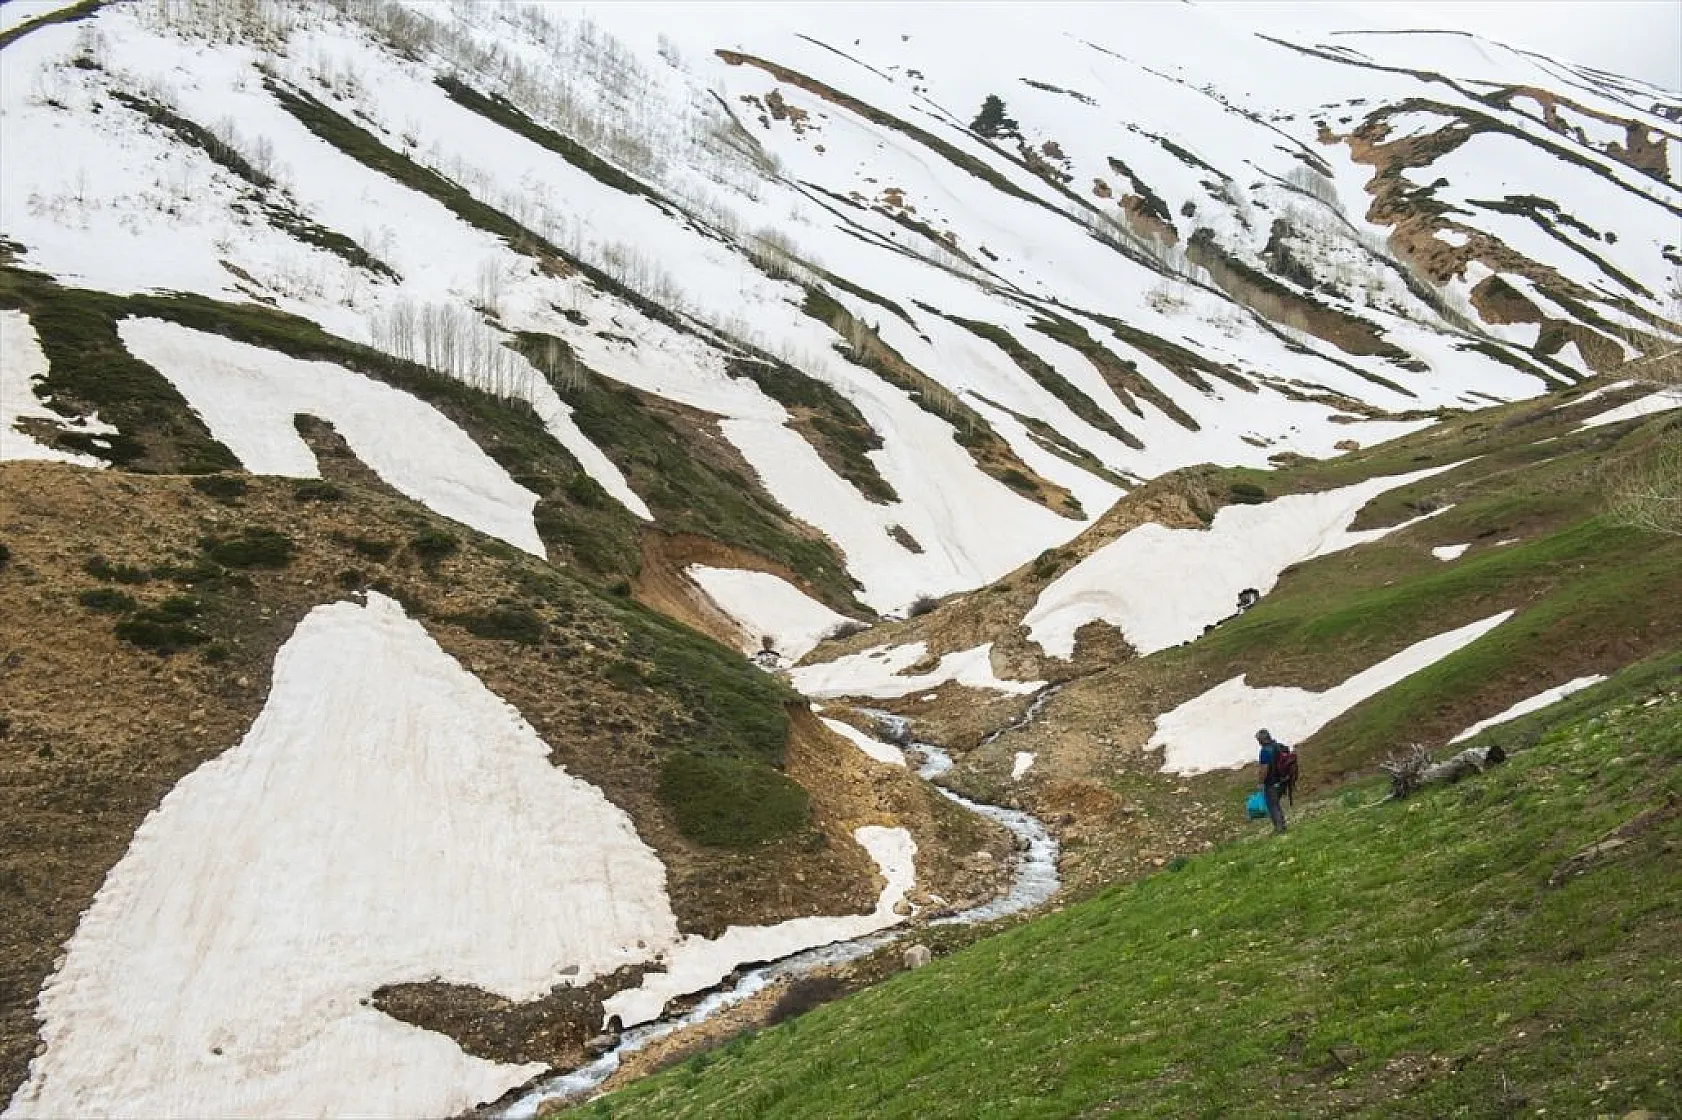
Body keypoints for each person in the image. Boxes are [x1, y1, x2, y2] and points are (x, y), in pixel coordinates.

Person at [1255, 729, 1289, 834]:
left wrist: (1260, 782)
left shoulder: (1264, 751)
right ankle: (1282, 825)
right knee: (1276, 804)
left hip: (1271, 782)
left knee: (1272, 806)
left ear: (1261, 740)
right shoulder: (1277, 746)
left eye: (1258, 740)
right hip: (1282, 780)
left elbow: (1264, 769)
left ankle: (1280, 829)